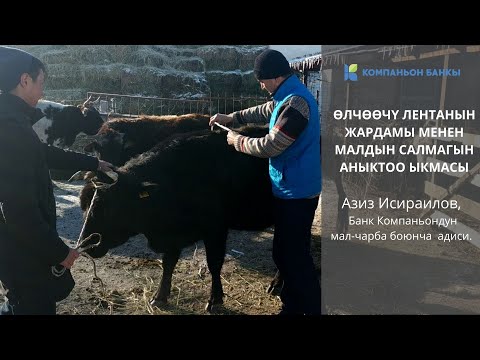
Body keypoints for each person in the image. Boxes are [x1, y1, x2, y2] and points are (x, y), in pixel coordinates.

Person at [0, 46, 114, 315]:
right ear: (24, 80)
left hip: (16, 245)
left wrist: (93, 163)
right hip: (21, 251)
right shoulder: (11, 129)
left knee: (18, 301)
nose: (42, 92)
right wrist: (59, 252)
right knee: (30, 304)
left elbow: (43, 152)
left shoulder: (12, 122)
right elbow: (19, 212)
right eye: (41, 83)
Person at [209, 49, 322, 315]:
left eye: (261, 79)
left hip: (298, 192)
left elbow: (273, 145)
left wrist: (238, 141)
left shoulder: (297, 104)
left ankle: (312, 307)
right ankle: (292, 306)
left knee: (295, 258)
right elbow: (262, 111)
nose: (260, 85)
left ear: (274, 76)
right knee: (285, 254)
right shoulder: (286, 96)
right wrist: (232, 118)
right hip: (289, 187)